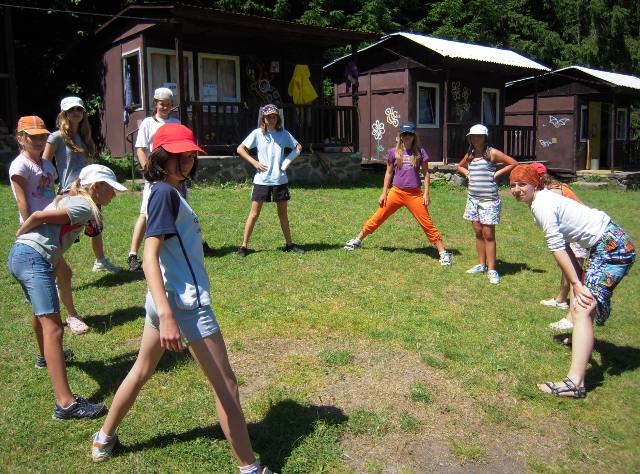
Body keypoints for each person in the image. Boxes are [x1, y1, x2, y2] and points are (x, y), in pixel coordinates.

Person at [91, 124, 273, 474]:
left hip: (167, 297)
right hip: (186, 305)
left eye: (190, 154)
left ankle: (103, 438)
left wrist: (162, 307)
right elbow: (149, 255)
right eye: (178, 155)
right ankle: (250, 468)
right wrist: (167, 315)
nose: (187, 161)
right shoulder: (164, 193)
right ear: (160, 157)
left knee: (142, 370)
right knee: (226, 385)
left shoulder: (168, 190)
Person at [8, 164, 126, 418]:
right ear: (96, 187)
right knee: (55, 328)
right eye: (111, 189)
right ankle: (66, 404)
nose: (114, 194)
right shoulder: (84, 206)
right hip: (33, 258)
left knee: (41, 313)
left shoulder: (70, 197)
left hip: (24, 257)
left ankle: (45, 356)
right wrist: (21, 234)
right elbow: (38, 217)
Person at [510, 164, 635, 398]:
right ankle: (581, 340)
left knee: (582, 307)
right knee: (583, 305)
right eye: (513, 185)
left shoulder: (543, 205)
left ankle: (575, 383)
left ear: (536, 184)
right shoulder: (541, 201)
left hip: (613, 248)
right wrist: (577, 277)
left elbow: (557, 246)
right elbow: (565, 243)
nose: (516, 189)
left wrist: (577, 285)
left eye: (522, 184)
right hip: (607, 245)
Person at [9, 116, 89, 362]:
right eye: (32, 137)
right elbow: (22, 201)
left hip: (50, 227)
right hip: (37, 232)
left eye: (43, 136)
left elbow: (51, 195)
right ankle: (51, 346)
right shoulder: (20, 166)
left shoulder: (46, 164)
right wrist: (27, 227)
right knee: (49, 291)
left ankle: (50, 347)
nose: (39, 140)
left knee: (60, 277)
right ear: (20, 138)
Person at [344, 122, 452, 265]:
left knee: (427, 223)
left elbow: (426, 173)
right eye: (404, 134)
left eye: (410, 134)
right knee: (378, 216)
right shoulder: (393, 152)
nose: (407, 137)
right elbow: (389, 173)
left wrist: (426, 193)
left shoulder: (420, 152)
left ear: (414, 136)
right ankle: (358, 240)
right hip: (396, 192)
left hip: (414, 194)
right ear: (400, 136)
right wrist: (384, 193)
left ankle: (443, 253)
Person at [43, 96, 122, 273]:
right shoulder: (56, 137)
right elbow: (44, 166)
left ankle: (100, 261)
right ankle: (51, 268)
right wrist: (47, 191)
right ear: (64, 113)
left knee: (95, 227)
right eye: (71, 110)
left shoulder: (84, 136)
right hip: (70, 192)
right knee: (66, 233)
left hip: (90, 190)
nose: (76, 112)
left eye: (79, 109)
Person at [236, 103, 303, 257]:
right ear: (263, 119)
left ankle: (289, 244)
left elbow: (298, 147)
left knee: (283, 214)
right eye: (268, 117)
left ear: (278, 118)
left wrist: (285, 163)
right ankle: (244, 246)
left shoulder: (284, 134)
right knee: (254, 214)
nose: (271, 119)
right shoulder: (257, 134)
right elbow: (240, 149)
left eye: (274, 117)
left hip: (280, 180)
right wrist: (254, 163)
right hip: (262, 180)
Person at [127, 87, 181, 271]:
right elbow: (140, 149)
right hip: (155, 174)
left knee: (178, 208)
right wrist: (148, 170)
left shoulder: (176, 123)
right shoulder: (148, 123)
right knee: (146, 212)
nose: (165, 107)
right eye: (161, 104)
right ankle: (133, 254)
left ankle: (175, 248)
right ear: (155, 104)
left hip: (173, 174)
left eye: (168, 104)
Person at [457, 124, 518, 284]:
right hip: (473, 200)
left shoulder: (492, 153)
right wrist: (467, 173)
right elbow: (460, 166)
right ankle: (481, 265)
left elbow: (513, 163)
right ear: (470, 138)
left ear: (485, 137)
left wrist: (498, 173)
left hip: (489, 201)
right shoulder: (470, 154)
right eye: (473, 136)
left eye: (479, 136)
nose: (475, 139)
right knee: (478, 232)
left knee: (489, 235)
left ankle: (492, 269)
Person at [530, 162, 587, 331]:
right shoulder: (551, 188)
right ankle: (561, 300)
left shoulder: (554, 191)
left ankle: (572, 317)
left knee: (575, 273)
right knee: (568, 269)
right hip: (572, 232)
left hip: (579, 233)